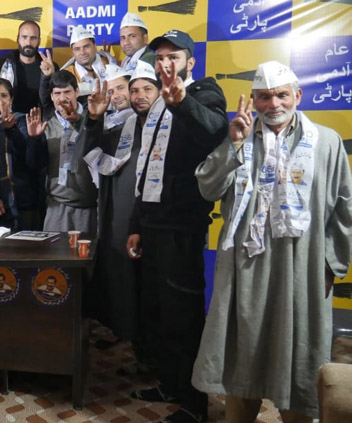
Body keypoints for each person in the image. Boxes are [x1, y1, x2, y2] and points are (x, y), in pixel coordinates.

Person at [192, 61, 352, 422]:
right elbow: (207, 187)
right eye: (263, 97)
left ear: (297, 95)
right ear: (253, 100)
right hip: (246, 266)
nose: (273, 104)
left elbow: (344, 207)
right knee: (242, 347)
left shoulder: (325, 142)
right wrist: (232, 146)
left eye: (281, 95)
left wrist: (331, 263)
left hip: (302, 266)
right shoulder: (239, 137)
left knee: (299, 349)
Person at [125, 30, 228, 423]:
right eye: (161, 57)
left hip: (181, 229)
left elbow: (215, 131)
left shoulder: (203, 93)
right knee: (157, 314)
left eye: (174, 56)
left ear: (190, 61)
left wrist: (182, 102)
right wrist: (136, 223)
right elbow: (146, 168)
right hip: (151, 225)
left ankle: (195, 403)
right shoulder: (153, 104)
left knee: (183, 318)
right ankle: (169, 383)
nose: (166, 63)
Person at [83, 61, 160, 375]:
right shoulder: (121, 127)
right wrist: (93, 119)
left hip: (150, 225)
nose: (129, 95)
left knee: (149, 295)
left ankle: (153, 362)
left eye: (143, 89)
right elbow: (91, 154)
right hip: (120, 223)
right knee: (125, 289)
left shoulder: (163, 125)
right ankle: (138, 353)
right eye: (130, 90)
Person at [26, 71, 97, 234]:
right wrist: (34, 139)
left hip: (92, 206)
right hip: (57, 206)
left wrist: (80, 123)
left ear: (77, 92)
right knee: (56, 258)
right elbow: (34, 166)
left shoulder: (93, 118)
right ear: (51, 96)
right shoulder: (44, 124)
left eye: (67, 92)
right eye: (57, 93)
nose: (62, 98)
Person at [0, 78, 41, 230]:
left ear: (11, 99)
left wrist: (11, 130)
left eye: (4, 95)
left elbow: (25, 154)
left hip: (19, 195)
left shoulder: (20, 120)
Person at [0, 21, 57, 113]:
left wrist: (49, 77)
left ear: (39, 40)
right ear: (18, 39)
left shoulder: (49, 67)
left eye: (33, 38)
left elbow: (53, 101)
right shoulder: (3, 64)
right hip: (9, 123)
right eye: (24, 37)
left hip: (40, 123)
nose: (28, 42)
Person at [41, 26, 115, 110]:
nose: (82, 52)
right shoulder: (67, 74)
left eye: (86, 47)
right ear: (73, 51)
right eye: (77, 49)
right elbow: (48, 103)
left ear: (95, 46)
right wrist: (48, 77)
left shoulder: (110, 64)